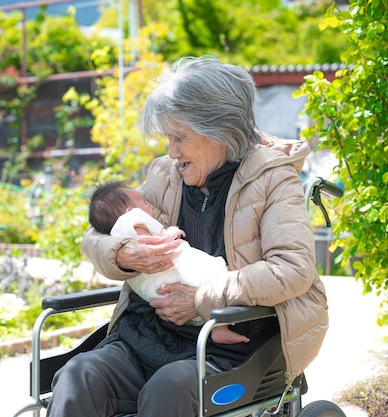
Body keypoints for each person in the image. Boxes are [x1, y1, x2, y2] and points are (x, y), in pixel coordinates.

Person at [47, 55, 329, 417]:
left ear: (219, 130)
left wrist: (202, 299)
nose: (171, 150)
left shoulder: (274, 180)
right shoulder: (166, 176)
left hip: (228, 347)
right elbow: (98, 231)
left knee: (170, 390)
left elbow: (292, 269)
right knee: (78, 374)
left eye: (179, 137)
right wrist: (122, 253)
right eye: (168, 137)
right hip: (144, 338)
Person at [88, 180, 250, 345]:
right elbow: (153, 245)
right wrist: (170, 233)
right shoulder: (131, 219)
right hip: (170, 279)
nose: (149, 207)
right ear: (130, 211)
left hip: (155, 297)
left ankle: (218, 328)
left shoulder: (115, 232)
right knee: (218, 274)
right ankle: (219, 328)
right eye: (144, 202)